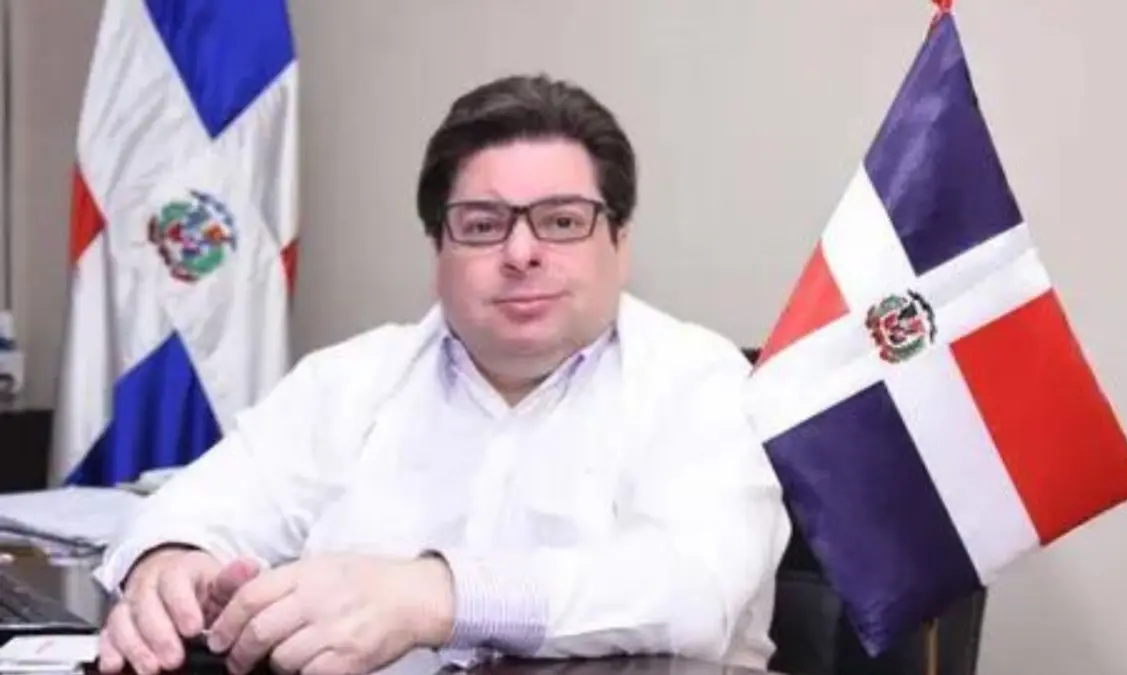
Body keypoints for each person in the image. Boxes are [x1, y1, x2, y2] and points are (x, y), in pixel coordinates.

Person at [92, 74, 790, 675]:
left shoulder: (702, 382)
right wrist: (170, 562)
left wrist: (434, 595)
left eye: (562, 222)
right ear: (439, 248)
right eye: (483, 225)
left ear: (620, 242)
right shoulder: (348, 379)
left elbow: (695, 589)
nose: (522, 252)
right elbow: (196, 506)